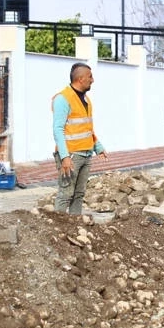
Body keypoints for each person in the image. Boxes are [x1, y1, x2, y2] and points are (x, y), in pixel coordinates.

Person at [52, 62, 107, 214]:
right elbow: (58, 129)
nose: (93, 80)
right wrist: (64, 157)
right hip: (71, 156)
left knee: (79, 195)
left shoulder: (86, 100)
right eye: (90, 77)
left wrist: (98, 146)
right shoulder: (63, 99)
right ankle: (57, 230)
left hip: (86, 154)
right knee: (65, 194)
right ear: (81, 79)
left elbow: (87, 128)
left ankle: (74, 226)